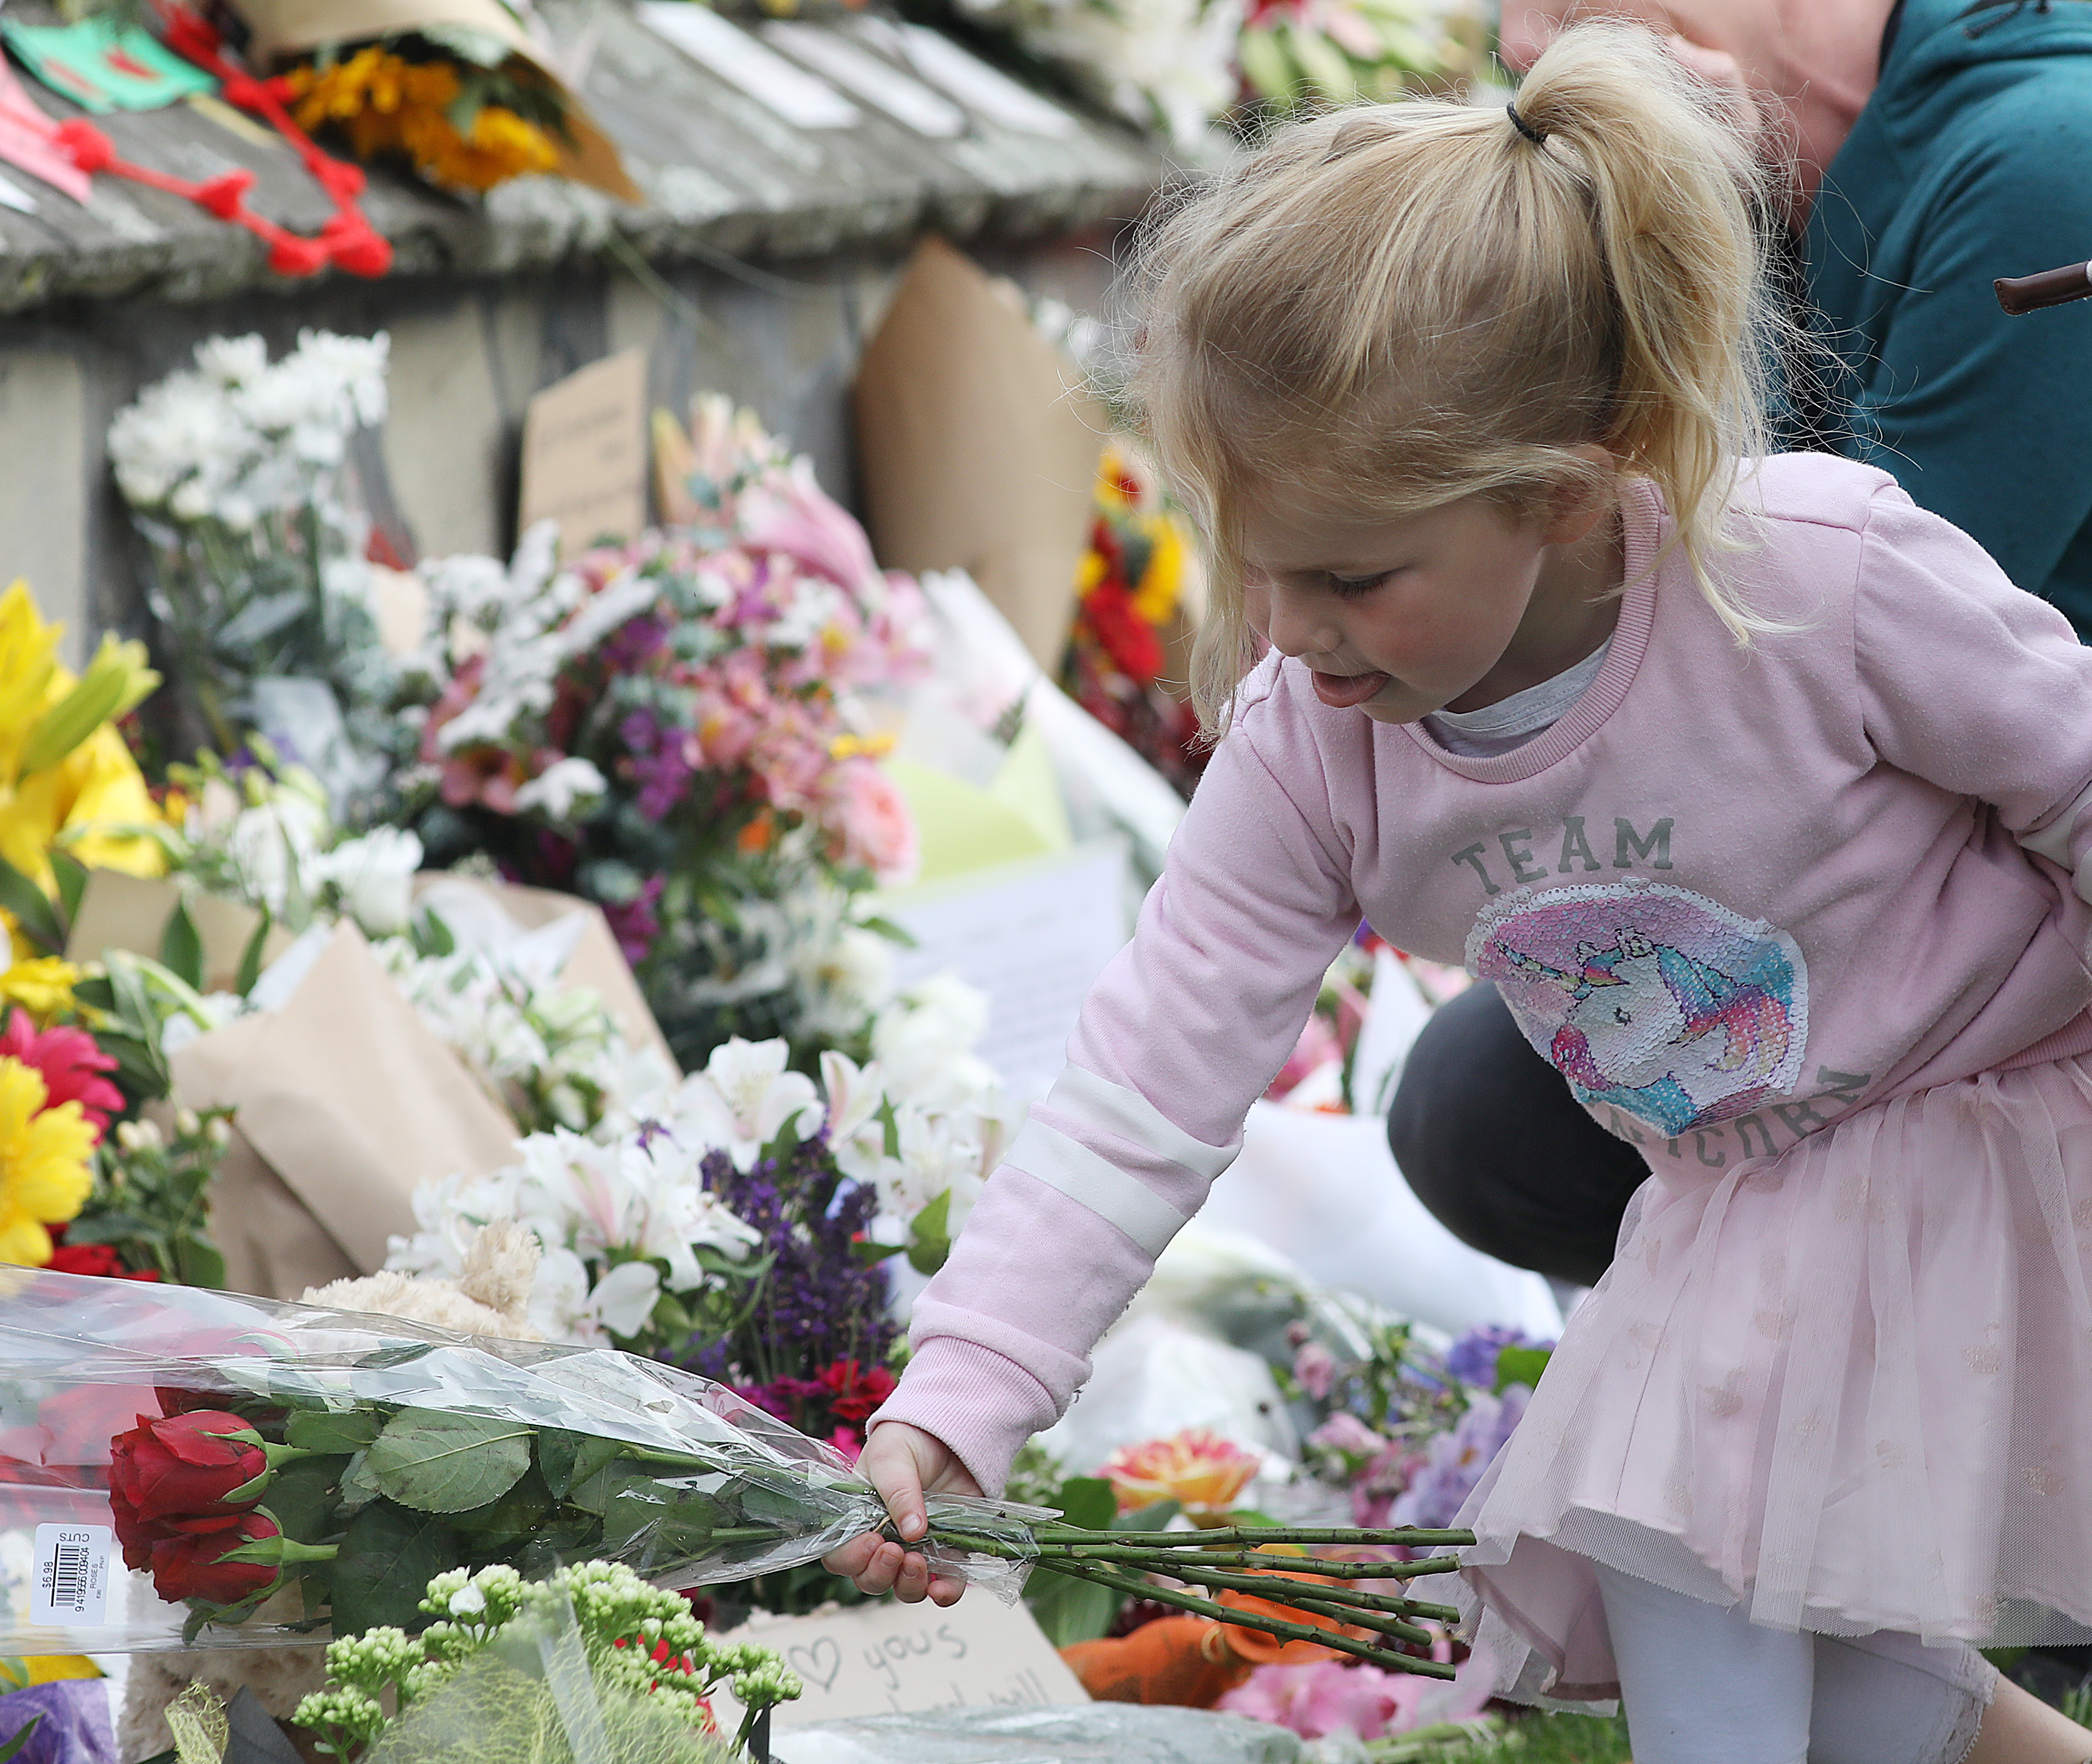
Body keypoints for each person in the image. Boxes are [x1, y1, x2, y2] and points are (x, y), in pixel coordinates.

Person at [822, 23, 2092, 1762]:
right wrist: (966, 1394)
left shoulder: (1811, 574)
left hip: (2013, 1127)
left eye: (1351, 574)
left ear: (1570, 492)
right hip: (1747, 1201)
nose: (1284, 629)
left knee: (1781, 1620)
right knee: (1729, 1609)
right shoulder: (1316, 740)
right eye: (1254, 566)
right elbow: (1145, 1078)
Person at [1397, 0, 2092, 1296]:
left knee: (1495, 1112)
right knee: (1487, 1093)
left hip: (2035, 943)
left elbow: (1791, 647)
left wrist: (1703, 226)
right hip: (1924, 871)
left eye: (1555, 4)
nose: (1523, 47)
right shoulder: (1856, 137)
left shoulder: (2047, 158)